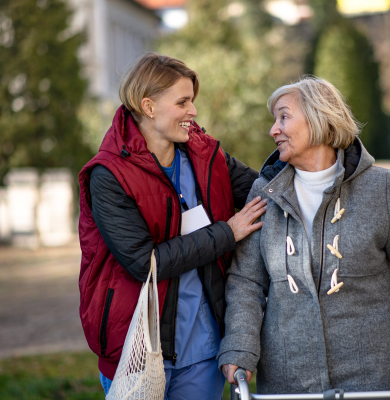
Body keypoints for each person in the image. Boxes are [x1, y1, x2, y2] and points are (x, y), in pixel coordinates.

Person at [218, 77, 390, 394]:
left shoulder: (380, 188)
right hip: (290, 379)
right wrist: (239, 347)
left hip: (374, 378)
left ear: (318, 117)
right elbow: (246, 281)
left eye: (284, 117)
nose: (273, 130)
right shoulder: (264, 193)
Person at [77, 53, 266, 399]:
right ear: (149, 107)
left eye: (192, 101)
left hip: (202, 348)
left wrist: (316, 156)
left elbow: (263, 192)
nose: (193, 111)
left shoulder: (207, 156)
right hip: (137, 349)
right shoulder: (107, 175)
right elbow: (144, 263)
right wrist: (228, 232)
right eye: (183, 102)